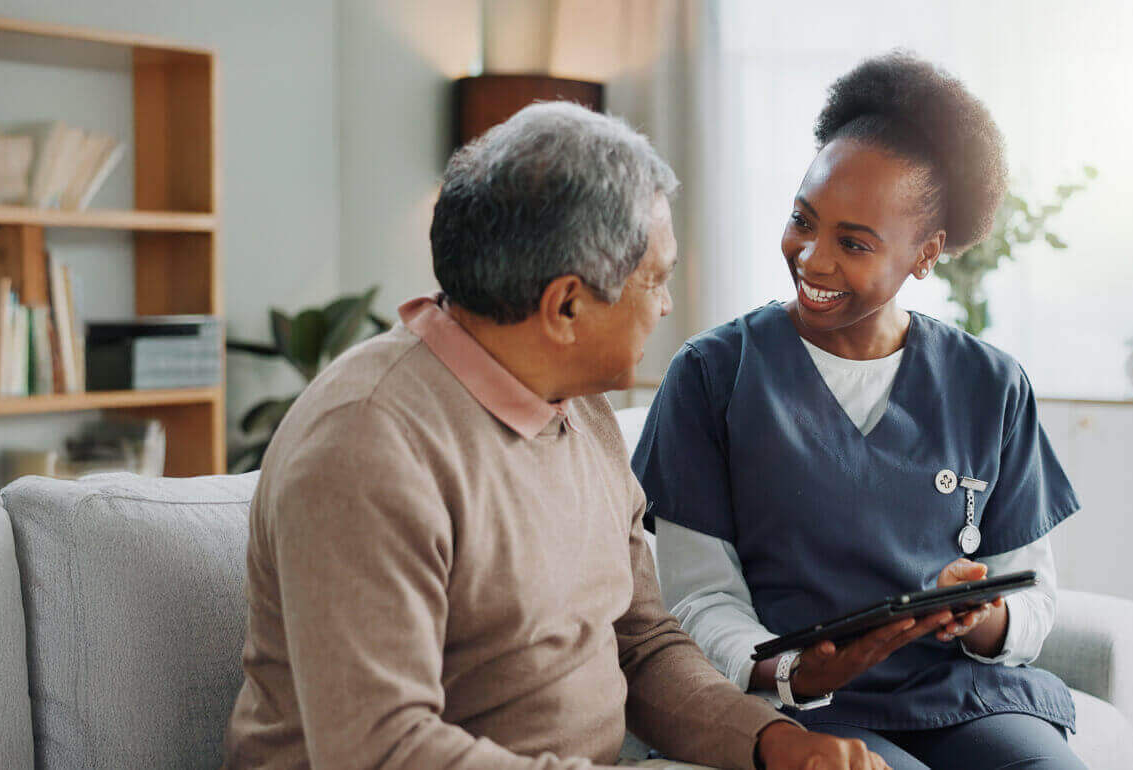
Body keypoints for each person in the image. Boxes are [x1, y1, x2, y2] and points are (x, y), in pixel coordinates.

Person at [224, 102, 890, 770]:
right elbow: (383, 750)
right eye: (655, 280)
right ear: (567, 306)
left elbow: (643, 643)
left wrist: (773, 743)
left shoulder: (577, 405)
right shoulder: (366, 446)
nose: (664, 307)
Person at [632, 52, 1087, 770]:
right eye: (801, 221)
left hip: (959, 696)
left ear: (926, 254)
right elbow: (694, 601)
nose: (811, 259)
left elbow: (1032, 593)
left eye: (853, 243)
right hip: (799, 705)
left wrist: (983, 617)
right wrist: (788, 672)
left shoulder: (991, 384)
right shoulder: (712, 377)